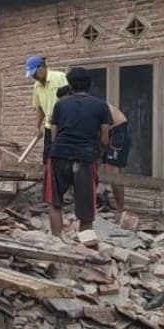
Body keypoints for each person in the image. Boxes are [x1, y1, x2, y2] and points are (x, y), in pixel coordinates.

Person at [46, 68, 112, 237]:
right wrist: (98, 155)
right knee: (86, 209)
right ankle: (86, 245)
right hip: (85, 157)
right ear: (90, 84)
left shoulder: (60, 105)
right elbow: (105, 140)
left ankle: (56, 241)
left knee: (55, 202)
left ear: (70, 85)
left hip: (59, 155)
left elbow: (53, 136)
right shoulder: (101, 106)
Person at [56, 86, 130, 216]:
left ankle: (120, 210)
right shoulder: (76, 106)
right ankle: (92, 203)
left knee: (112, 170)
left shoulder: (87, 103)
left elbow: (100, 133)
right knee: (91, 166)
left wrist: (99, 149)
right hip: (103, 134)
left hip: (117, 131)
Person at [26, 55, 68, 164]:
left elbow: (72, 98)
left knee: (63, 160)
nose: (33, 77)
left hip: (64, 127)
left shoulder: (60, 77)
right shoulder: (36, 86)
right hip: (49, 127)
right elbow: (40, 108)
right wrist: (37, 126)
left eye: (34, 73)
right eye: (32, 75)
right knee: (48, 160)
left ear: (41, 67)